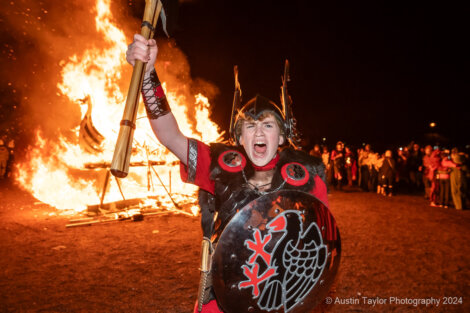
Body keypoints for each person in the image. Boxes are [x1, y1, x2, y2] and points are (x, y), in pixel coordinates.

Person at [126, 34, 339, 313]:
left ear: (282, 136)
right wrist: (148, 76)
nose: (259, 132)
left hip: (284, 296)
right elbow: (170, 136)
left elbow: (322, 244)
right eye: (250, 126)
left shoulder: (305, 175)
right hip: (226, 294)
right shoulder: (217, 165)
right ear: (240, 137)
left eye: (267, 125)